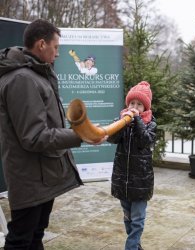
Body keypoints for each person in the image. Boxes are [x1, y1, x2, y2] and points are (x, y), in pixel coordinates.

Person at [0, 19, 105, 250]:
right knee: (21, 240)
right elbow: (35, 136)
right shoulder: (22, 79)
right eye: (56, 47)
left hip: (41, 175)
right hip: (30, 178)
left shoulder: (35, 74)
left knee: (35, 235)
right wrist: (81, 135)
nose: (58, 53)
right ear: (41, 44)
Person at [107, 81, 157, 250]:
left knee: (138, 219)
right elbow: (111, 138)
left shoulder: (150, 124)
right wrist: (122, 124)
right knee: (128, 217)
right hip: (123, 179)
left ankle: (131, 247)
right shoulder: (121, 121)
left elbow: (145, 141)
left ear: (146, 107)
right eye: (131, 103)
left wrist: (137, 122)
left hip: (140, 181)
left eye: (139, 104)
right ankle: (136, 245)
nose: (134, 107)